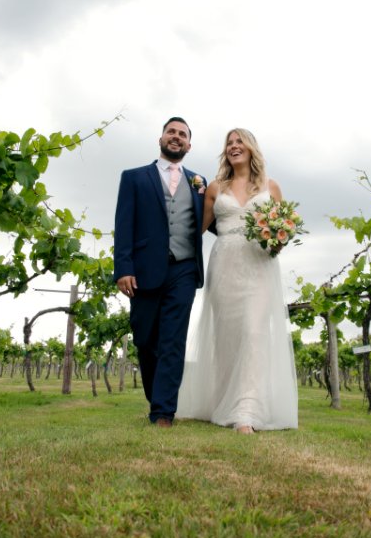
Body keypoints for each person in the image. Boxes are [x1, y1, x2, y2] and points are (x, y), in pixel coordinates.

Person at [176, 128, 299, 434]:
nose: (234, 146)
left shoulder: (271, 188)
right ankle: (223, 404)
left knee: (253, 333)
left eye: (239, 141)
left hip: (258, 266)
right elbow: (196, 231)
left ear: (251, 148)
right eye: (229, 143)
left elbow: (280, 232)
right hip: (224, 265)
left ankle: (247, 412)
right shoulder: (215, 188)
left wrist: (279, 241)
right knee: (228, 338)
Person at [113, 117, 208, 427]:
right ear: (161, 138)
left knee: (172, 341)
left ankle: (163, 412)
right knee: (145, 339)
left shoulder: (199, 183)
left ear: (189, 145)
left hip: (183, 269)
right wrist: (123, 268)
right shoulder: (134, 178)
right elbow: (123, 225)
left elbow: (215, 220)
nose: (176, 137)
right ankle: (156, 397)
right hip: (143, 271)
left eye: (182, 134)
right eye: (172, 132)